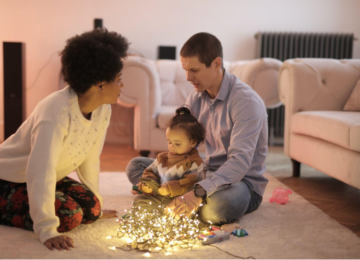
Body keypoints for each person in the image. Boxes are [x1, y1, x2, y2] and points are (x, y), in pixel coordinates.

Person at [0, 29, 128, 251]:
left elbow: (90, 158)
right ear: (100, 84)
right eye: (118, 80)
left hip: (44, 175)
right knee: (70, 217)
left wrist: (97, 204)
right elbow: (40, 171)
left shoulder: (103, 109)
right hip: (8, 178)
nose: (122, 86)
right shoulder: (55, 111)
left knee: (91, 210)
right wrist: (46, 228)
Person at [126, 32, 268, 226]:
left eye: (194, 70)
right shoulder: (197, 96)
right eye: (185, 69)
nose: (188, 77)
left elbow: (240, 163)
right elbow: (183, 136)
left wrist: (197, 192)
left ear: (217, 63)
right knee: (136, 166)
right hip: (203, 172)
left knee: (214, 210)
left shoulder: (245, 102)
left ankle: (176, 197)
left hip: (240, 182)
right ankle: (177, 195)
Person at [131, 106, 206, 211]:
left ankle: (169, 214)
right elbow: (150, 172)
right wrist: (147, 184)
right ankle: (160, 213)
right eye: (169, 142)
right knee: (139, 201)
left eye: (177, 143)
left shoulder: (195, 162)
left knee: (192, 210)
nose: (172, 146)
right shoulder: (162, 158)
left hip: (181, 200)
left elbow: (191, 183)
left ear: (193, 142)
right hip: (160, 197)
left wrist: (171, 188)